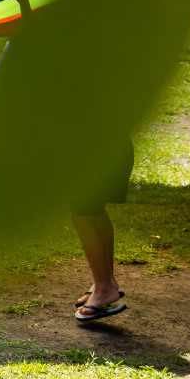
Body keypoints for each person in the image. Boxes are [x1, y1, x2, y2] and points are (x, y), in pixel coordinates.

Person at [69, 136, 136, 323]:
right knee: (92, 212)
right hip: (104, 148)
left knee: (83, 212)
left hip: (95, 150)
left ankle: (104, 287)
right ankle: (105, 281)